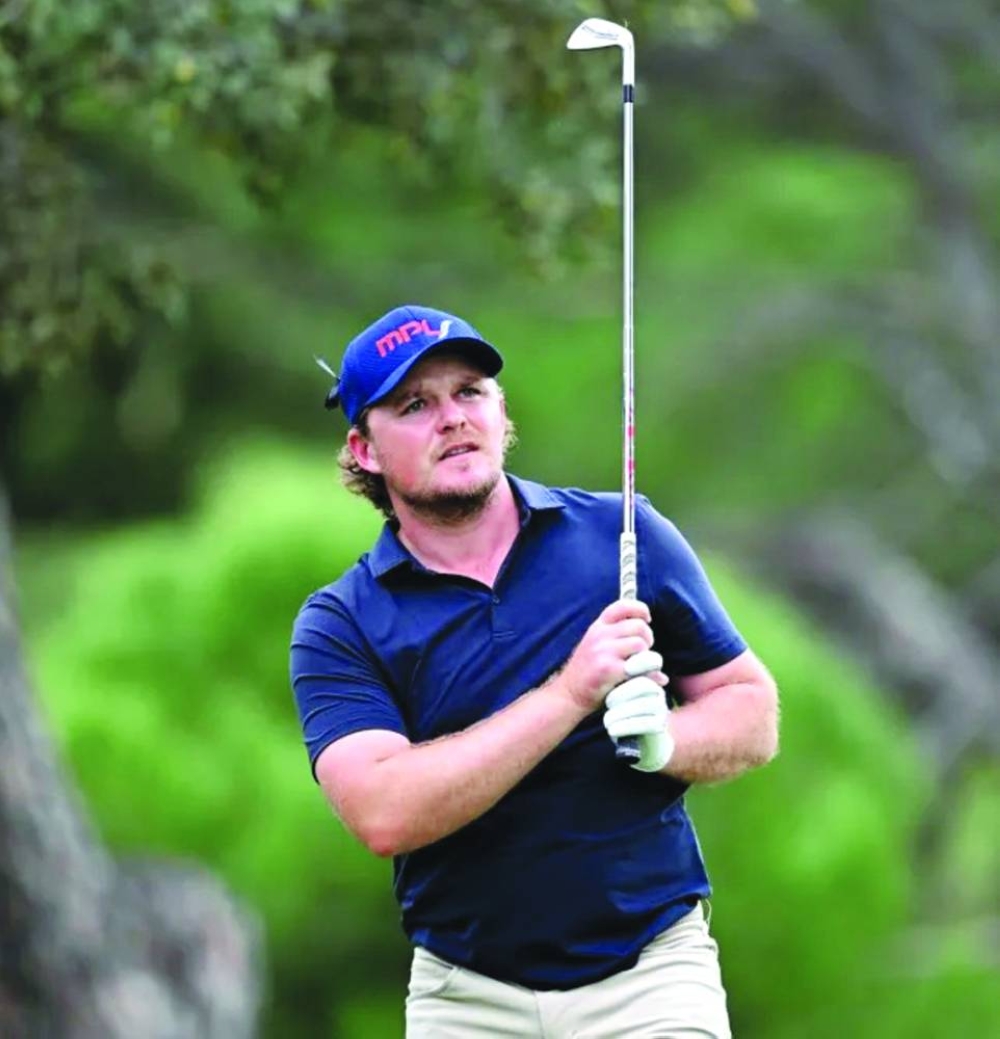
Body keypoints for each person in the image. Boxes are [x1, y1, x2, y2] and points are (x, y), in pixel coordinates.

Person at [290, 304, 779, 1038]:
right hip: (466, 997)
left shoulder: (622, 533)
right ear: (363, 449)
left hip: (649, 976)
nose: (452, 417)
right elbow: (384, 809)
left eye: (470, 392)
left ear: (500, 409)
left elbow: (752, 711)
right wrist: (571, 693)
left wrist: (666, 743)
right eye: (415, 404)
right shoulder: (341, 622)